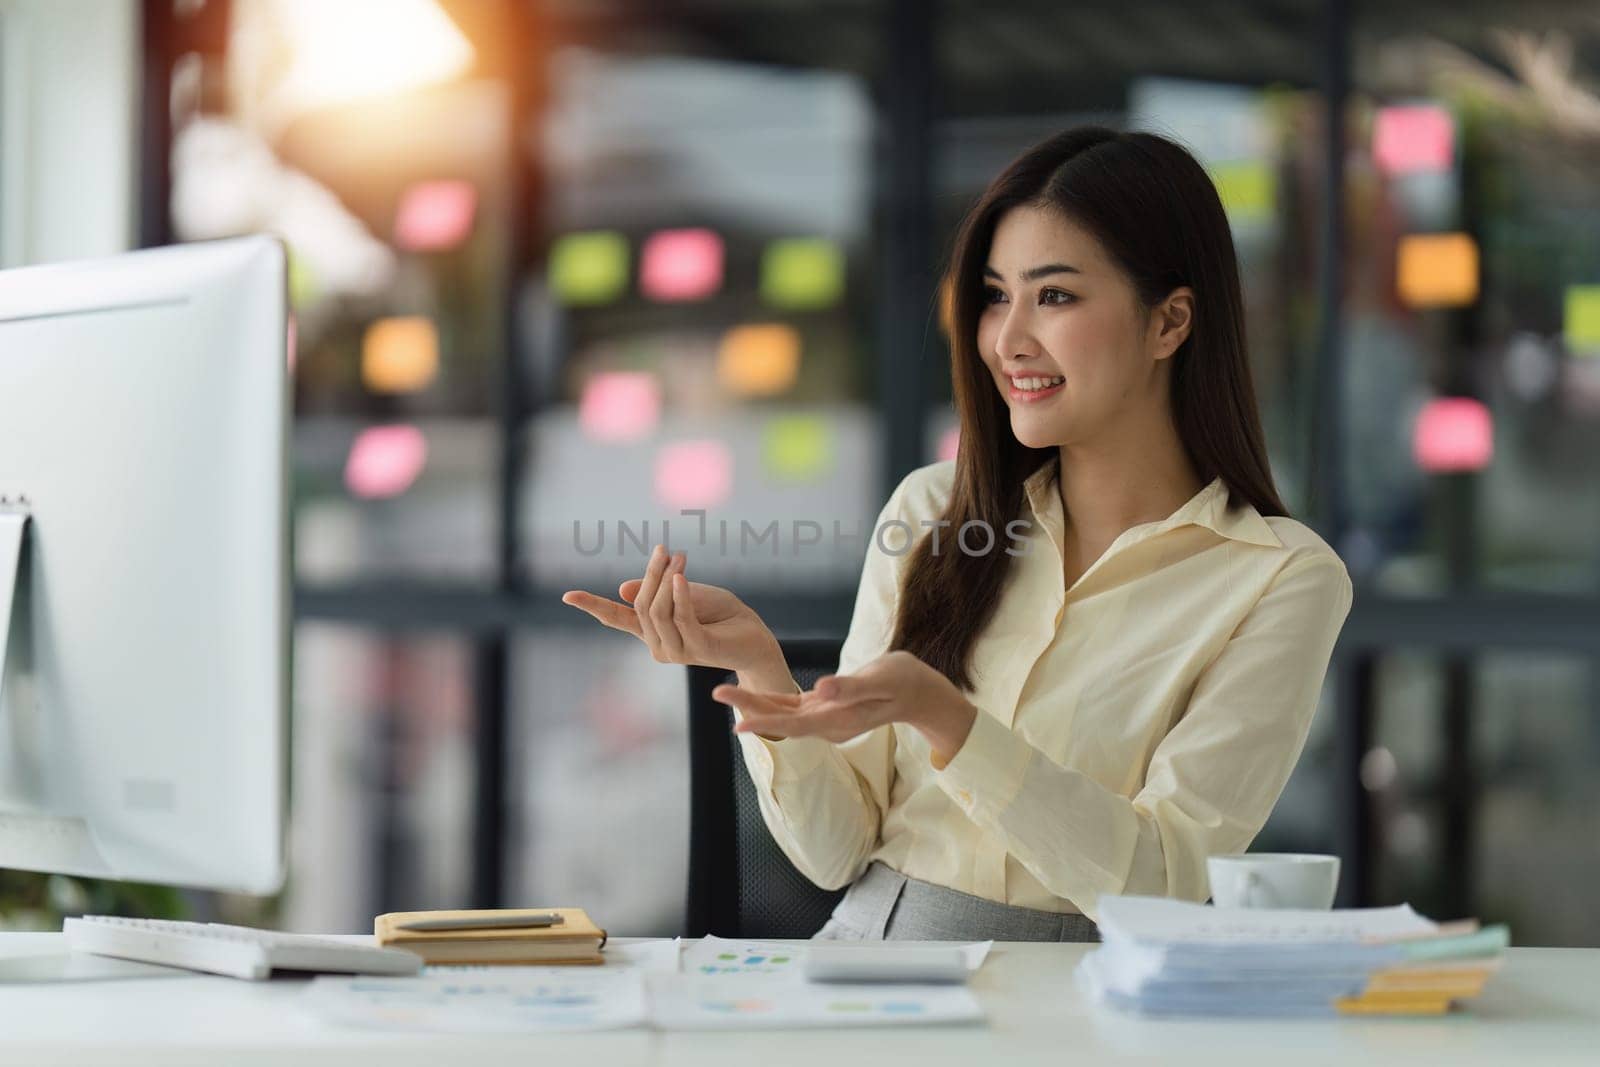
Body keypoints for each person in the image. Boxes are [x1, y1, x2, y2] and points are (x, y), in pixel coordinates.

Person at [562, 126, 1353, 943]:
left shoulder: (1280, 577)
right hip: (867, 966)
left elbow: (1164, 879)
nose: (1006, 340)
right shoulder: (932, 511)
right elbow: (836, 855)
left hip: (1083, 997)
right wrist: (763, 670)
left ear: (1169, 323)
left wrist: (956, 727)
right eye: (994, 296)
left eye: (1054, 296)